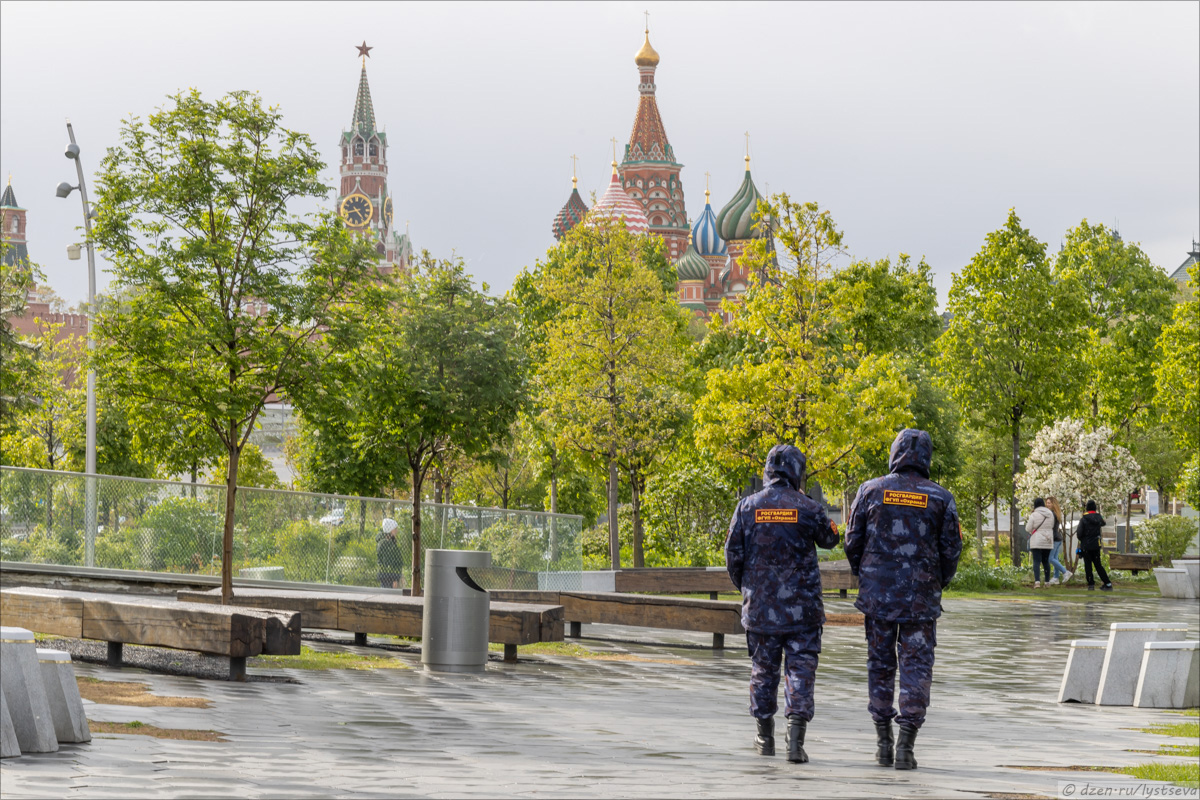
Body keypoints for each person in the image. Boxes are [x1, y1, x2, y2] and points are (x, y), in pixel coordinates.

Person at [844, 429, 962, 771]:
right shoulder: (940, 498)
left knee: (880, 665)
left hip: (878, 597)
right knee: (916, 668)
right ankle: (906, 747)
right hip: (921, 600)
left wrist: (865, 574)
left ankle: (883, 743)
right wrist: (939, 580)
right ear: (926, 457)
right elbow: (951, 549)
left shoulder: (870, 490)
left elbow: (853, 541)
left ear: (894, 452)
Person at [725, 444, 840, 764]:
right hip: (803, 611)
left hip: (761, 610)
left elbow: (732, 558)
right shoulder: (808, 508)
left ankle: (764, 738)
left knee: (763, 670)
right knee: (800, 671)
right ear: (797, 472)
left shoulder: (747, 507)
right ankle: (795, 741)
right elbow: (832, 538)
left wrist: (749, 589)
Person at [1076, 500, 1112, 591]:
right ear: (1095, 508)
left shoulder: (1084, 518)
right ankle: (1107, 583)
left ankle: (1091, 584)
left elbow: (1079, 533)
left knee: (1088, 565)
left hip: (1086, 545)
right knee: (1098, 565)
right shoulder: (1099, 517)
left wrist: (1083, 540)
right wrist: (1100, 515)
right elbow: (1103, 523)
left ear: (1087, 508)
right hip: (1096, 544)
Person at [1026, 498, 1054, 588]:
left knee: (1036, 561)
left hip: (1037, 540)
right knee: (1046, 561)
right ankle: (1047, 582)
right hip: (1047, 540)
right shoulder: (1050, 514)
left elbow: (1028, 528)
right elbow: (1052, 525)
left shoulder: (1034, 515)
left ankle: (1037, 582)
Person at [1045, 496, 1071, 585]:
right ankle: (1056, 577)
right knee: (1055, 558)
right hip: (1057, 538)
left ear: (1053, 504)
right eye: (1047, 503)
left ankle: (1065, 572)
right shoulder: (1056, 513)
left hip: (1055, 538)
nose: (1047, 504)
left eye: (1049, 503)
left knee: (1050, 558)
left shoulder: (1052, 514)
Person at [376, 518, 405, 589]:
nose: (397, 531)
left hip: (386, 576)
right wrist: (394, 579)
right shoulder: (387, 544)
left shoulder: (386, 543)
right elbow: (390, 562)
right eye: (395, 529)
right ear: (391, 530)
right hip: (389, 578)